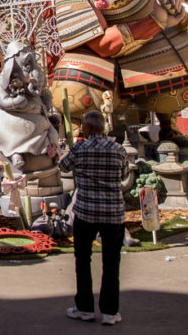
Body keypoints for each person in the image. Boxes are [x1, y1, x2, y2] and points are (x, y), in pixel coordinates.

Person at [59, 111, 127, 326]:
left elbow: (63, 167)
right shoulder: (118, 150)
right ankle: (109, 311)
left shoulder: (80, 148)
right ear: (104, 127)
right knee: (111, 263)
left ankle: (85, 308)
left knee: (83, 260)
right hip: (113, 213)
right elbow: (124, 175)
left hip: (86, 211)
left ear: (87, 128)